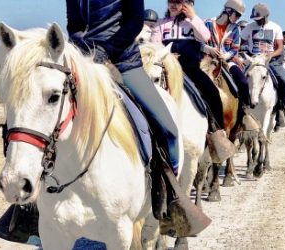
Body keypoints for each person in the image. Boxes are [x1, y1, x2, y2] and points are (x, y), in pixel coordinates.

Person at [66, 0, 180, 174]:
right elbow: (74, 25)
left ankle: (172, 190)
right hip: (86, 60)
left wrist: (106, 50)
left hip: (124, 61)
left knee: (169, 130)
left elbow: (134, 23)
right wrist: (85, 49)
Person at [151, 0, 226, 132]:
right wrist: (168, 57)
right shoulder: (161, 23)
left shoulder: (193, 22)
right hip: (166, 67)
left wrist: (193, 17)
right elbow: (155, 46)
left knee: (213, 92)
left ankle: (218, 132)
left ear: (186, 5)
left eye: (178, 2)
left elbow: (205, 37)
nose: (172, 5)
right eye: (170, 1)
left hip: (190, 67)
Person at [240, 2, 285, 127]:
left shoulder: (275, 27)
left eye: (259, 19)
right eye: (255, 19)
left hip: (270, 61)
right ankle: (239, 108)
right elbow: (240, 40)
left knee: (284, 80)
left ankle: (281, 109)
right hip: (253, 60)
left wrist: (270, 56)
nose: (257, 21)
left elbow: (279, 48)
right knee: (238, 79)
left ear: (265, 17)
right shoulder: (249, 27)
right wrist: (243, 51)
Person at [202, 0, 251, 109]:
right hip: (207, 60)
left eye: (239, 15)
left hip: (227, 62)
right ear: (228, 11)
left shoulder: (236, 28)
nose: (238, 17)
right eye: (237, 14)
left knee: (243, 82)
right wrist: (209, 49)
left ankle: (245, 109)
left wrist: (225, 56)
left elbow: (235, 49)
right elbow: (198, 43)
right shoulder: (207, 23)